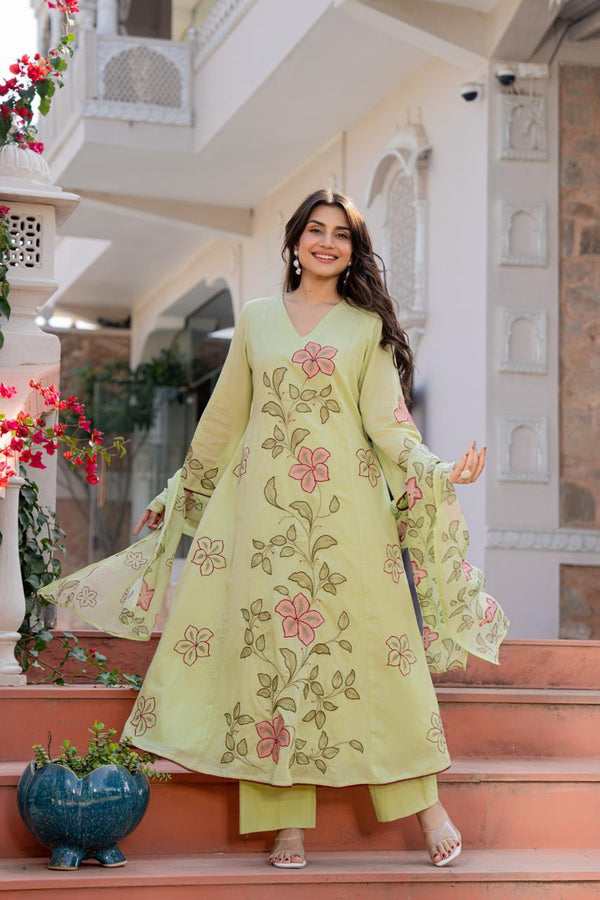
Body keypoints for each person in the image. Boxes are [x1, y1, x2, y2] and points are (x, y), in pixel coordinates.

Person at [42, 188, 508, 870]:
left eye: (341, 234)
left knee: (379, 654)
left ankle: (426, 804)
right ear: (294, 242)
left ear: (353, 250)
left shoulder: (365, 328)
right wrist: (180, 493)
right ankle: (284, 821)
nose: (327, 242)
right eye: (315, 230)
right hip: (261, 525)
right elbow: (223, 422)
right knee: (271, 661)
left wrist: (438, 470)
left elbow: (387, 422)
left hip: (350, 523)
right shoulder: (258, 321)